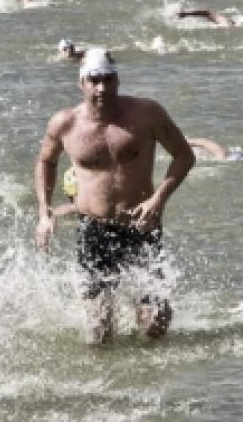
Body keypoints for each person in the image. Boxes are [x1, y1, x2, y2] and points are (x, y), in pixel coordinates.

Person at [34, 48, 196, 344]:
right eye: (94, 81)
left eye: (108, 80)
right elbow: (46, 161)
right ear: (81, 83)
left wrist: (158, 199)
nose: (102, 88)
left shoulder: (147, 114)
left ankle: (150, 381)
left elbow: (184, 156)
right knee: (98, 332)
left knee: (155, 325)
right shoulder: (65, 123)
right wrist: (44, 213)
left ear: (117, 80)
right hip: (93, 229)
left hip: (140, 225)